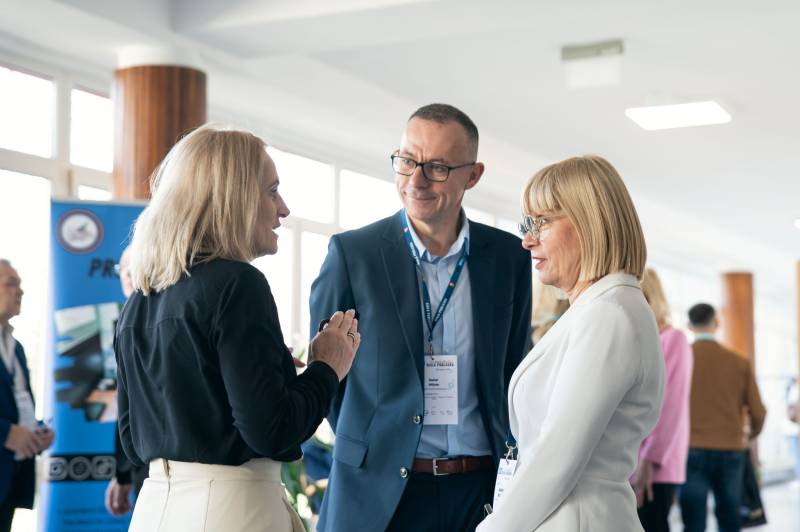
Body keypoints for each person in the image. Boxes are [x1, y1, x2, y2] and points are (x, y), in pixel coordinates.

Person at [115, 124, 361, 532]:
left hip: (155, 510)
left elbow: (132, 436)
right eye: (272, 191)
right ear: (234, 197)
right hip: (231, 512)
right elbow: (273, 431)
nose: (284, 209)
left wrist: (272, 375)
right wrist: (327, 367)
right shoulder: (239, 284)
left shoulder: (139, 301)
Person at [310, 103, 532, 532]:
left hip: (480, 491)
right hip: (381, 491)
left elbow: (514, 371)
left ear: (473, 175)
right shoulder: (353, 255)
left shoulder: (508, 258)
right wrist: (374, 442)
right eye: (407, 161)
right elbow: (329, 378)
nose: (416, 180)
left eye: (437, 168)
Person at [478, 155, 665, 532]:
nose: (527, 240)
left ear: (591, 221)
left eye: (542, 222)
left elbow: (555, 461)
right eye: (527, 224)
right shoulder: (601, 309)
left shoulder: (608, 314)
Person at [679, 303, 766, 532]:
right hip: (731, 449)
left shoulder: (680, 361)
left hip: (690, 449)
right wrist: (750, 436)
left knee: (693, 521)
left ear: (689, 325)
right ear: (717, 323)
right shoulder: (738, 362)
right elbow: (758, 411)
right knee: (729, 519)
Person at [633, 268, 693, 532]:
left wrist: (649, 459)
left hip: (655, 466)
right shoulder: (641, 339)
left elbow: (670, 407)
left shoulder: (673, 339)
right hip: (631, 463)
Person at [0, 259, 55, 531]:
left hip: (10, 478)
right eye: (11, 284)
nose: (19, 291)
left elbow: (17, 403)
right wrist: (6, 433)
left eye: (20, 285)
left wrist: (36, 431)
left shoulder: (16, 347)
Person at [105, 247, 148, 517]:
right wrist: (122, 473)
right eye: (124, 271)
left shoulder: (142, 320)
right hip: (142, 465)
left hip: (161, 467)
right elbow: (127, 402)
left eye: (135, 269)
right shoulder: (128, 322)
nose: (129, 276)